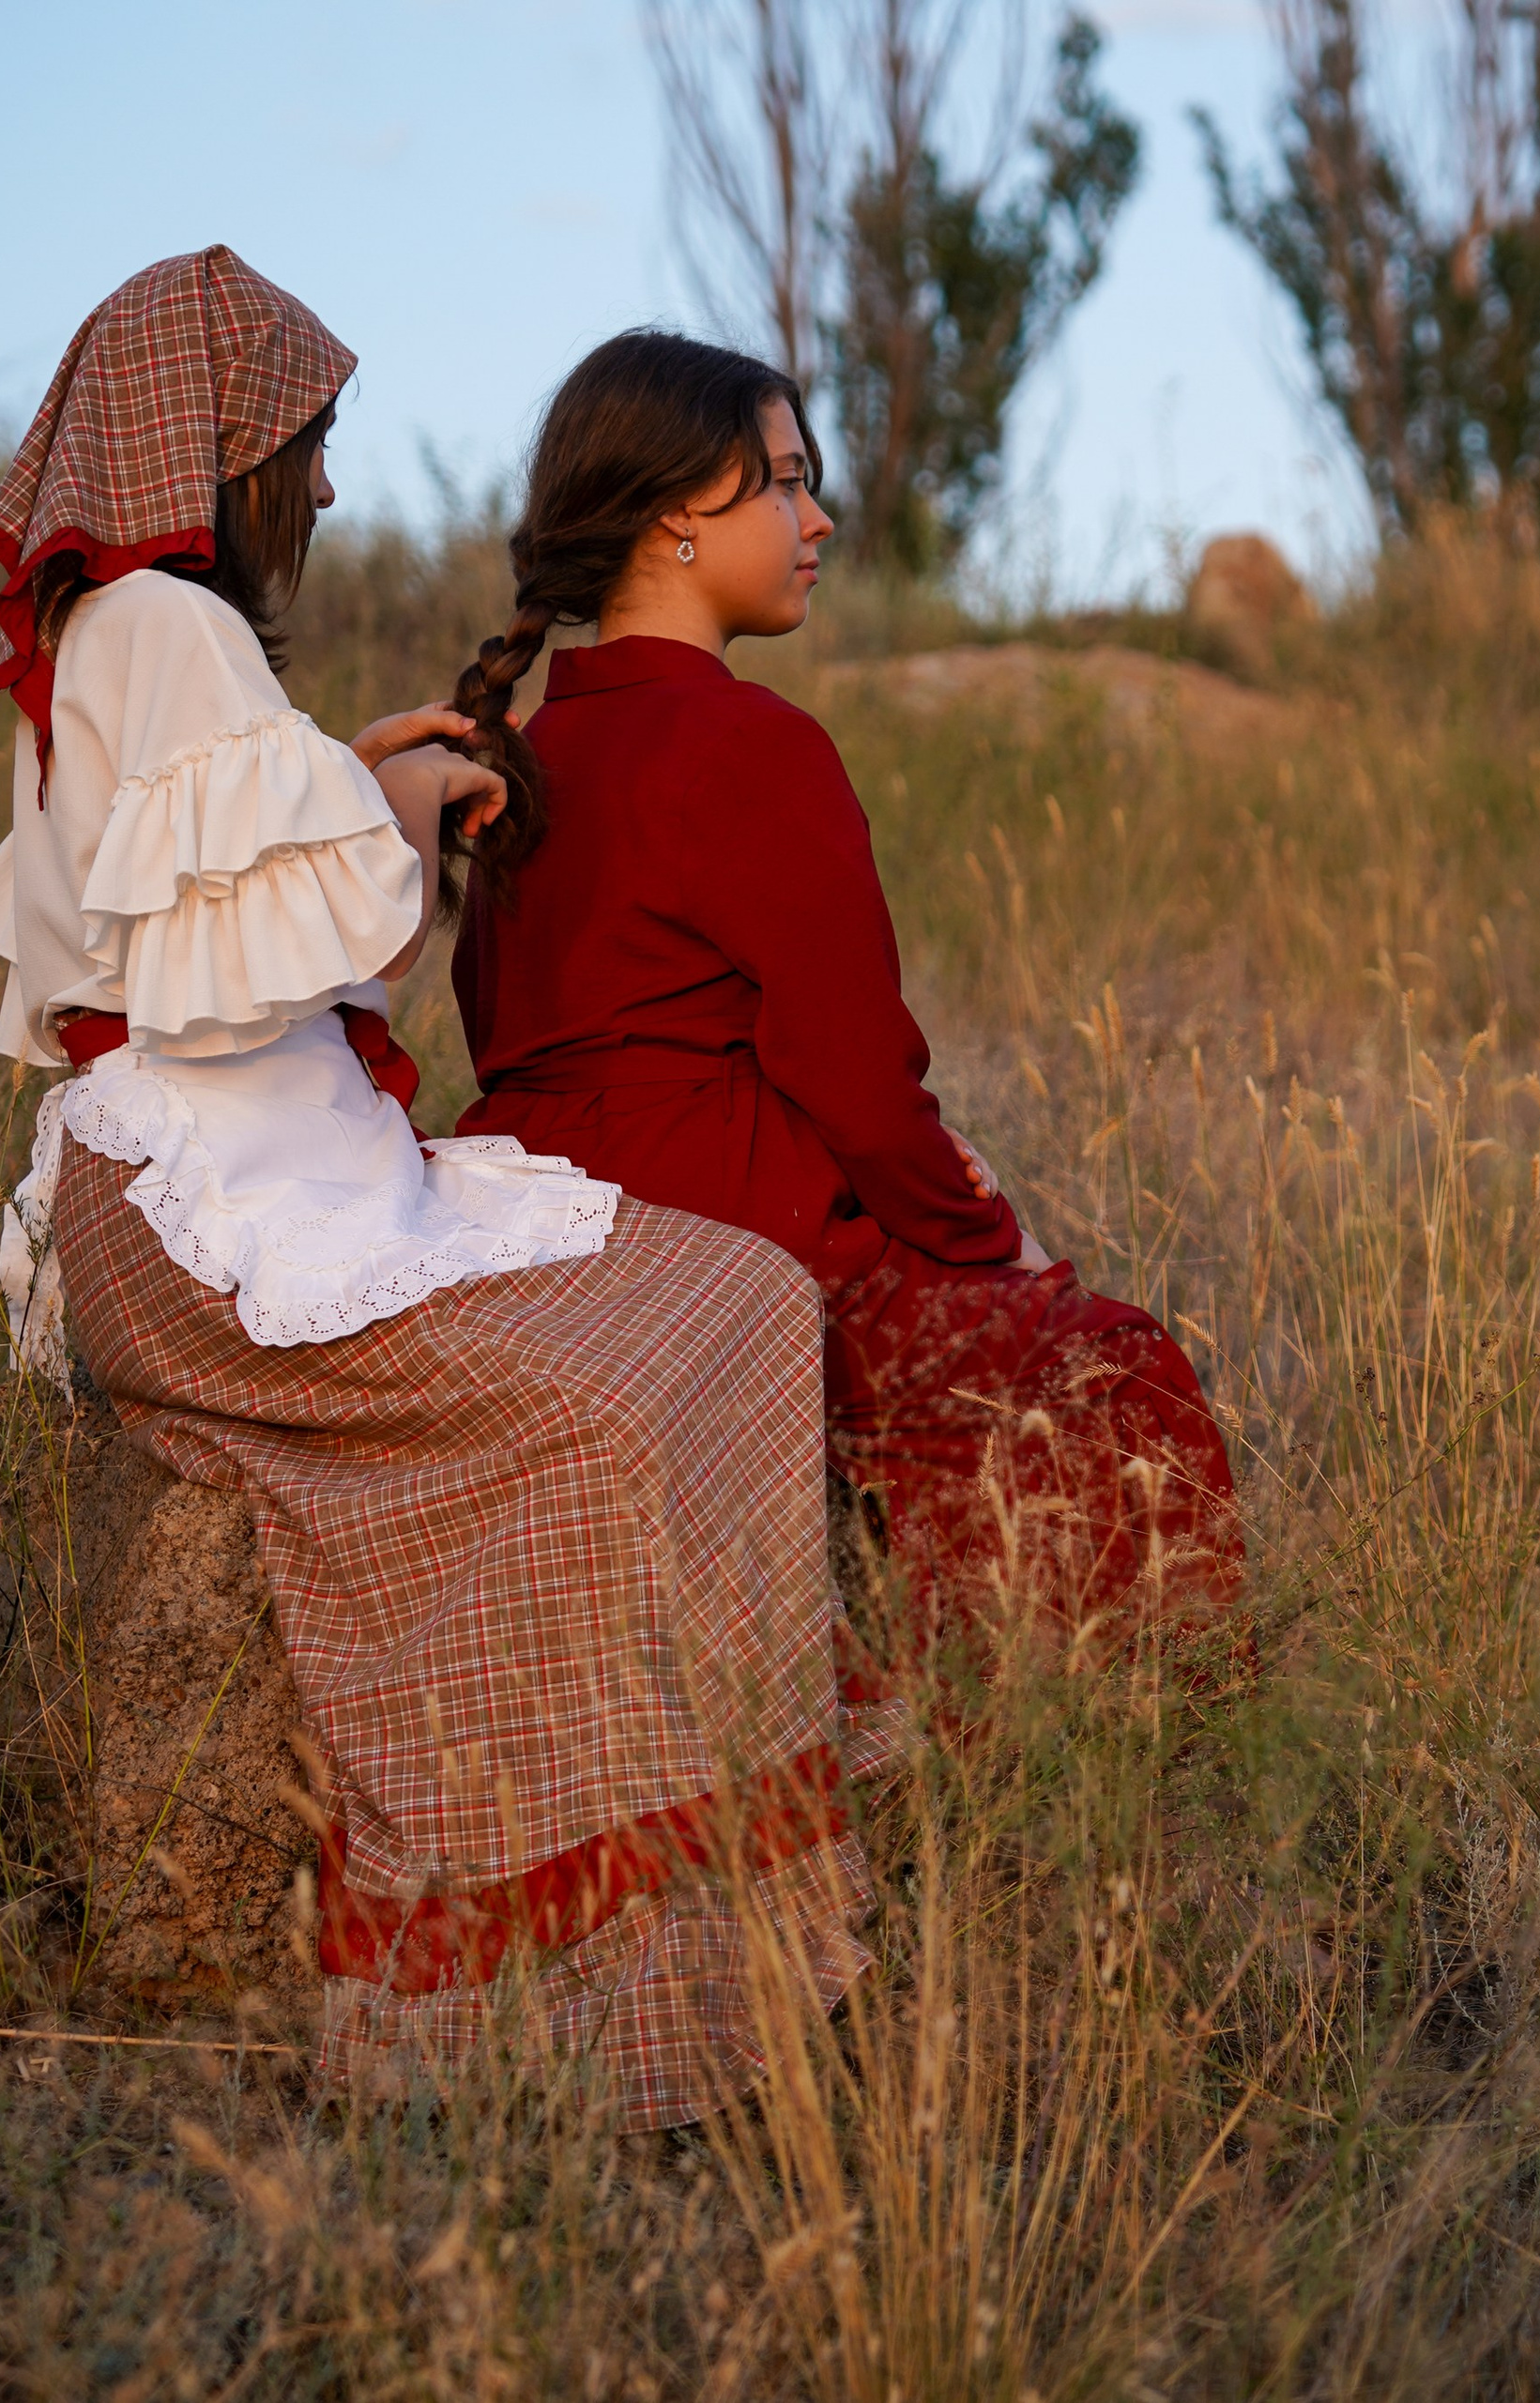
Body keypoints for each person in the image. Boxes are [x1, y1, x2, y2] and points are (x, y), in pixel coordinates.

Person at [0, 250, 895, 2130]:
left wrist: (353, 776)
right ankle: (592, 1974)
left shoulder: (116, 638)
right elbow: (221, 977)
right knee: (652, 1364)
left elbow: (179, 909)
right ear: (226, 449)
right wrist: (391, 821)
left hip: (211, 1172)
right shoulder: (167, 628)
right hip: (221, 1212)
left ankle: (675, 1923)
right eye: (307, 447)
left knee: (718, 1310)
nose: (322, 487)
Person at [445, 330, 1245, 1673]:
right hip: (727, 1228)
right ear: (673, 522)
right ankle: (1058, 1741)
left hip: (536, 1220)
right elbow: (862, 1086)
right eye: (782, 481)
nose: (817, 518)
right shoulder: (751, 743)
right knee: (1106, 1364)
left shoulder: (519, 757)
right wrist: (985, 1235)